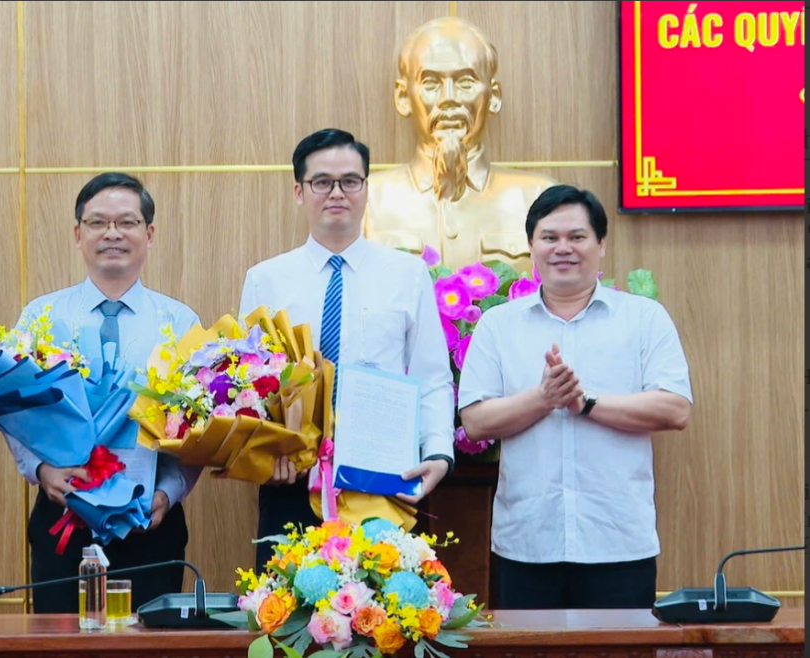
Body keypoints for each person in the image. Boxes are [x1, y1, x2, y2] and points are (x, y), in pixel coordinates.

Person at [457, 184, 694, 610]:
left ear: (601, 245)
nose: (562, 248)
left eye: (577, 237)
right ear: (531, 246)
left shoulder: (644, 319)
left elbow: (675, 409)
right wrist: (544, 398)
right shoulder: (498, 326)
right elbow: (475, 421)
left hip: (618, 543)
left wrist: (586, 403)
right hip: (527, 545)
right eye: (549, 237)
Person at [238, 128, 457, 570]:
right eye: (322, 182)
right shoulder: (266, 279)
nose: (336, 193)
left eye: (350, 181)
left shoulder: (407, 275)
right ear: (299, 191)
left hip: (381, 481)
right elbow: (248, 383)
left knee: (378, 606)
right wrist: (264, 452)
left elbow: (432, 377)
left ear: (366, 189)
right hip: (292, 481)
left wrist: (437, 454)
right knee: (283, 608)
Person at [8, 173, 202, 614]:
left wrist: (168, 493)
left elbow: (197, 428)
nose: (112, 233)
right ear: (78, 234)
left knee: (148, 641)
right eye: (98, 222)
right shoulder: (41, 317)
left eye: (127, 222)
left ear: (149, 234)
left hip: (149, 522)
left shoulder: (180, 323)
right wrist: (41, 470)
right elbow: (13, 412)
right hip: (63, 514)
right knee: (60, 642)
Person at [363, 16, 557, 274]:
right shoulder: (366, 201)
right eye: (431, 83)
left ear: (493, 96)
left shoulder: (537, 197)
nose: (449, 98)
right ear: (403, 97)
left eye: (466, 82)